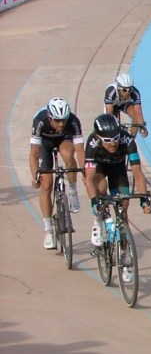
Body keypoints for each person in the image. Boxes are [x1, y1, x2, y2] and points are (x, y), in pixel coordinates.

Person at [84, 114, 151, 282]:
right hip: (99, 169)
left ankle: (125, 253)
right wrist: (94, 201)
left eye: (115, 138)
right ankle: (98, 221)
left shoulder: (128, 140)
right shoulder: (92, 143)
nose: (113, 143)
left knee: (123, 206)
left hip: (118, 170)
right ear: (99, 138)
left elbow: (137, 172)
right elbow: (88, 178)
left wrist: (144, 198)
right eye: (107, 140)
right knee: (100, 188)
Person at [28, 97, 84, 249]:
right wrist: (35, 176)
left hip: (64, 140)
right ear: (50, 117)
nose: (61, 124)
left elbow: (80, 150)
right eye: (58, 120)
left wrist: (85, 170)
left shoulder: (73, 121)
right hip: (45, 144)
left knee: (68, 155)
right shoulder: (40, 121)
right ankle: (48, 230)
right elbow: (34, 152)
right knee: (46, 185)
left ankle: (73, 192)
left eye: (64, 121)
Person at [104, 73, 147, 137]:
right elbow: (109, 114)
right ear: (118, 88)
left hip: (125, 104)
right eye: (124, 90)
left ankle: (131, 139)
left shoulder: (135, 93)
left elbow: (138, 112)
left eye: (130, 89)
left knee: (135, 116)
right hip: (112, 105)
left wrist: (142, 127)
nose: (127, 92)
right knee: (110, 124)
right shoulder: (111, 91)